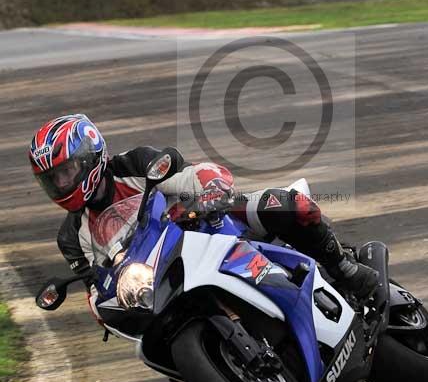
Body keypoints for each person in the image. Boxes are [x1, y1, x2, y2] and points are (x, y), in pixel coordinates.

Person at [28, 114, 379, 301]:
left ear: (89, 157)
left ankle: (344, 267)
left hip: (209, 226)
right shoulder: (72, 237)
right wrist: (107, 304)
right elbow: (95, 290)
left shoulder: (133, 164)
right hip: (163, 279)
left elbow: (193, 174)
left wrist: (212, 189)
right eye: (53, 179)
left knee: (286, 205)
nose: (61, 184)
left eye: (66, 171)